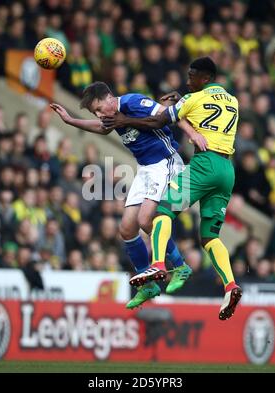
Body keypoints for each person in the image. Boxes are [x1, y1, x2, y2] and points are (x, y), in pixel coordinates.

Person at [102, 57, 242, 321]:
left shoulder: (192, 100)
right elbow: (195, 112)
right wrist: (186, 116)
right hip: (227, 170)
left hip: (204, 164)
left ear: (206, 78)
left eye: (192, 76)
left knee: (161, 213)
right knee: (210, 237)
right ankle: (231, 285)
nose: (188, 81)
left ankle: (157, 265)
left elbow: (158, 121)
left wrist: (123, 121)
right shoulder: (233, 101)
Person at [51, 82, 200, 309]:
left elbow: (169, 114)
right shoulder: (111, 116)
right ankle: (147, 285)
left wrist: (192, 134)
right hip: (144, 169)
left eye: (99, 108)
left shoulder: (132, 102)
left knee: (145, 220)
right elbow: (103, 128)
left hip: (165, 162)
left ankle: (179, 266)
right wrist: (71, 120)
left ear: (110, 98)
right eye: (95, 112)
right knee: (127, 228)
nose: (99, 114)